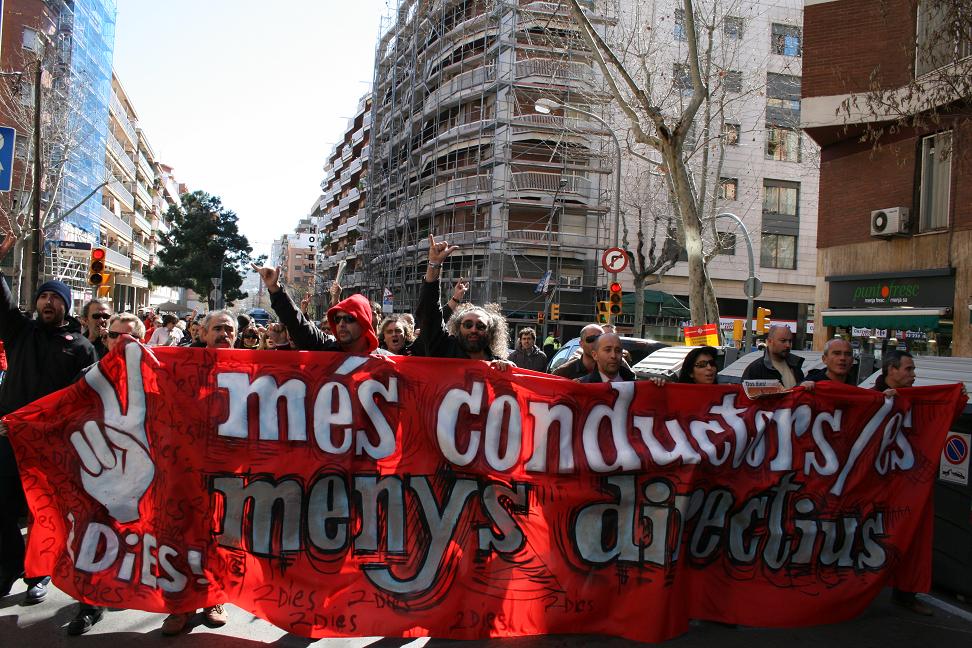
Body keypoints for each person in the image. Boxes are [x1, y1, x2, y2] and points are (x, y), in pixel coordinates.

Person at [0, 277, 98, 611]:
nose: (47, 303)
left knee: (43, 514)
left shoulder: (81, 346)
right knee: (4, 511)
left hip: (50, 448)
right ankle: (9, 567)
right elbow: (3, 303)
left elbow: (81, 398)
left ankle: (38, 575)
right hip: (10, 441)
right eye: (43, 296)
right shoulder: (20, 333)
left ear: (65, 306)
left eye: (55, 298)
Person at [160, 311, 234, 635]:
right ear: (203, 333)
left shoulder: (253, 367)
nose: (224, 334)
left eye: (229, 329)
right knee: (181, 537)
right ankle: (181, 606)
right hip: (185, 467)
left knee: (219, 538)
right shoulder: (181, 363)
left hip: (228, 470)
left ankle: (213, 599)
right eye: (217, 328)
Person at [414, 235, 511, 367]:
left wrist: (507, 372)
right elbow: (429, 313)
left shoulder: (500, 367)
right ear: (458, 328)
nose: (473, 330)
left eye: (481, 326)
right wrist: (434, 265)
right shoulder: (443, 350)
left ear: (491, 332)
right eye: (468, 324)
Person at [252, 263, 384, 355]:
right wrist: (275, 289)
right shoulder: (326, 346)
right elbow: (296, 323)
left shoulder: (385, 362)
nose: (341, 324)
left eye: (349, 319)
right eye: (337, 319)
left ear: (364, 322)